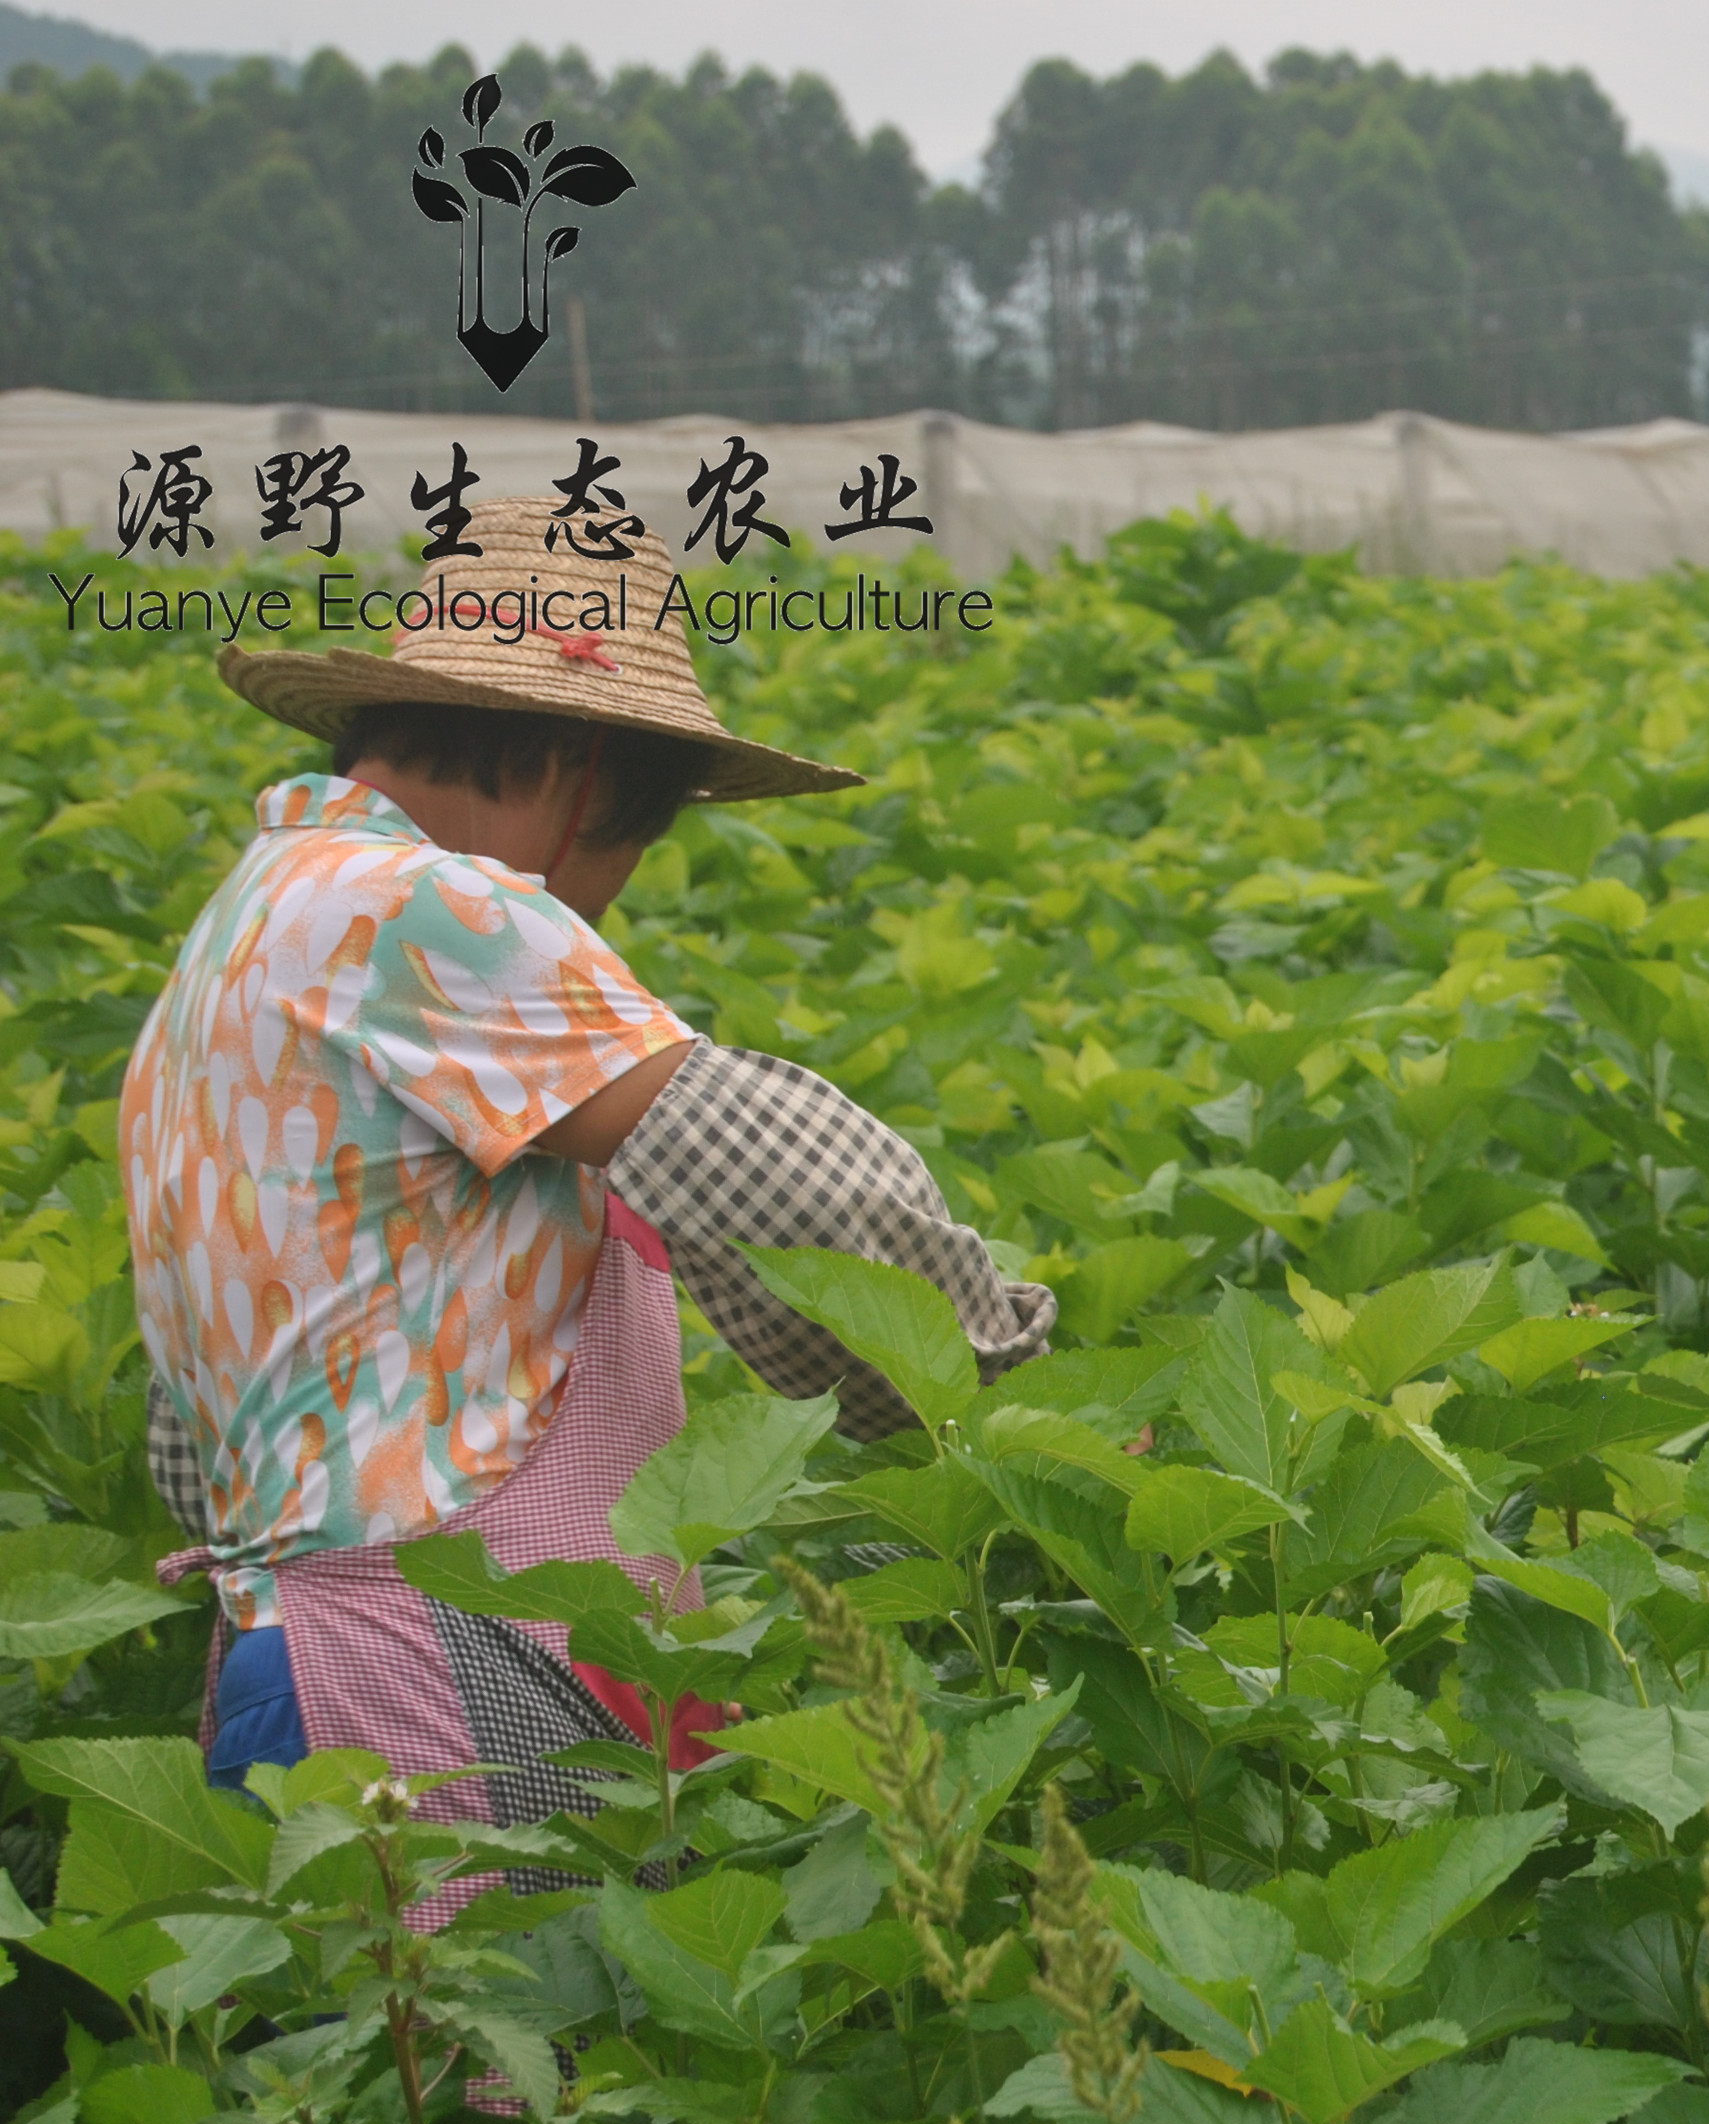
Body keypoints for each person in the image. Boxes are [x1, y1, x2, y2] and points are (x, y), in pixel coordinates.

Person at [125, 496, 1051, 1839]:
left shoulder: (242, 929)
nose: (605, 896)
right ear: (574, 765)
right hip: (441, 1669)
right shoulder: (428, 908)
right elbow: (793, 1182)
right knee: (538, 2042)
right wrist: (994, 1396)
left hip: (287, 1663)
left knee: (381, 2044)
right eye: (634, 832)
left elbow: (192, 1420)